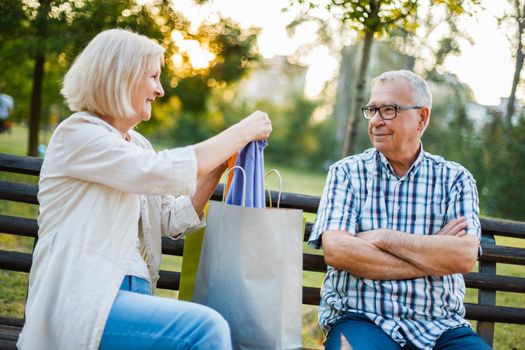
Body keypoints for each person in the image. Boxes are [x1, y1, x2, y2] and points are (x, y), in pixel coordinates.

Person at [17, 28, 272, 350]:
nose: (160, 90)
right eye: (153, 77)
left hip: (131, 293)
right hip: (84, 298)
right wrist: (241, 131)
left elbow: (171, 218)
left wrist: (221, 164)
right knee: (204, 329)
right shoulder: (78, 135)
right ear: (120, 77)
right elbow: (162, 171)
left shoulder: (136, 144)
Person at [309, 70, 491, 350]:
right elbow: (338, 251)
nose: (377, 121)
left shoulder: (456, 179)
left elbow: (463, 257)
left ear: (422, 117)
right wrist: (432, 253)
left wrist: (383, 238)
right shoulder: (346, 173)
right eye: (372, 110)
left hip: (441, 327)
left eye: (389, 110)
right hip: (362, 320)